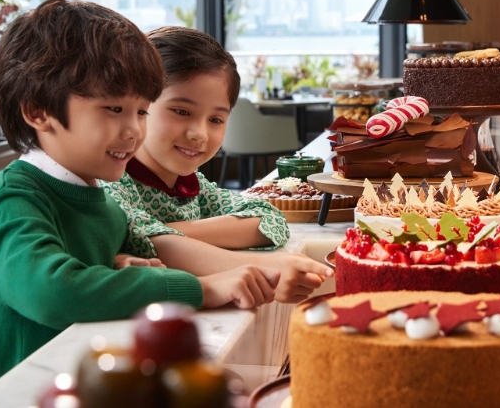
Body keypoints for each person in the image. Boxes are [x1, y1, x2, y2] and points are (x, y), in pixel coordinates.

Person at [0, 0, 280, 381]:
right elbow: (53, 291)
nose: (135, 130)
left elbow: (93, 265)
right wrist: (200, 289)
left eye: (141, 111)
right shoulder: (17, 195)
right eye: (113, 110)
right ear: (38, 111)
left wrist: (119, 262)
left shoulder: (102, 196)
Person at [103, 26, 332, 303]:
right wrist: (266, 268)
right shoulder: (112, 179)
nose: (199, 133)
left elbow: (270, 220)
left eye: (215, 120)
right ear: (137, 105)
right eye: (182, 111)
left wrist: (171, 229)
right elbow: (150, 242)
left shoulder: (192, 185)